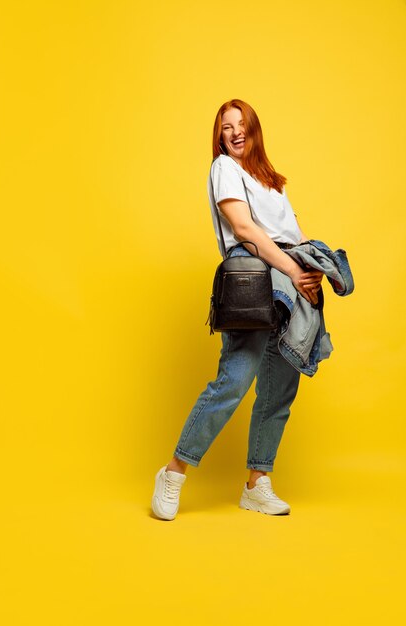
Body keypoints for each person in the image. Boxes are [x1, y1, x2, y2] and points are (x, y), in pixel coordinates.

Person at [151, 99, 325, 520]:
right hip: (254, 280)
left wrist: (314, 271)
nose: (235, 132)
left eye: (241, 124)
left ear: (254, 129)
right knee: (234, 380)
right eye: (226, 126)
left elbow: (296, 235)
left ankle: (256, 483)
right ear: (220, 135)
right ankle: (173, 471)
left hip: (290, 279)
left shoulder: (273, 180)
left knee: (280, 388)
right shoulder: (223, 169)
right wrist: (290, 267)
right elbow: (245, 230)